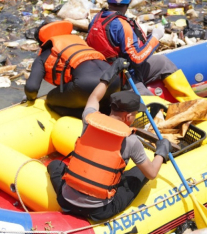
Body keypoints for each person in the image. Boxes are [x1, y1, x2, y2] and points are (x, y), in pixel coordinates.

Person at [46, 59, 172, 221]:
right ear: (128, 116)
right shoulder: (131, 141)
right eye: (134, 114)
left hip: (66, 200)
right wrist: (161, 151)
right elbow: (152, 173)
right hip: (99, 210)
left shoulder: (88, 120)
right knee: (139, 174)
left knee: (56, 165)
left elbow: (94, 97)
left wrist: (111, 73)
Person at [86, 0, 199, 102]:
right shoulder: (122, 25)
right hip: (123, 78)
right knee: (151, 104)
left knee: (163, 62)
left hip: (104, 72)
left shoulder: (97, 18)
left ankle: (192, 100)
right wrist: (155, 38)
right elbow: (137, 58)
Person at [25, 21, 120, 117]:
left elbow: (31, 88)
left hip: (86, 86)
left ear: (42, 42)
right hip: (115, 80)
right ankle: (107, 110)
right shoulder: (79, 43)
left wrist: (30, 99)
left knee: (51, 99)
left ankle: (87, 116)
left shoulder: (44, 55)